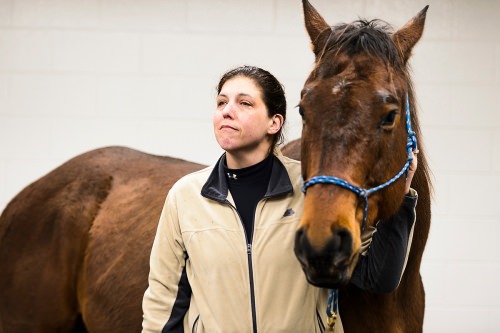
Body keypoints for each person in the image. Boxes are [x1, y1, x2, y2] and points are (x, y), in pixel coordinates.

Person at [142, 65, 418, 333]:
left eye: (245, 103)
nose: (227, 111)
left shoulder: (314, 191)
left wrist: (403, 198)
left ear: (275, 122)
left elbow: (375, 277)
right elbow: (164, 299)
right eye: (221, 102)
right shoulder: (185, 195)